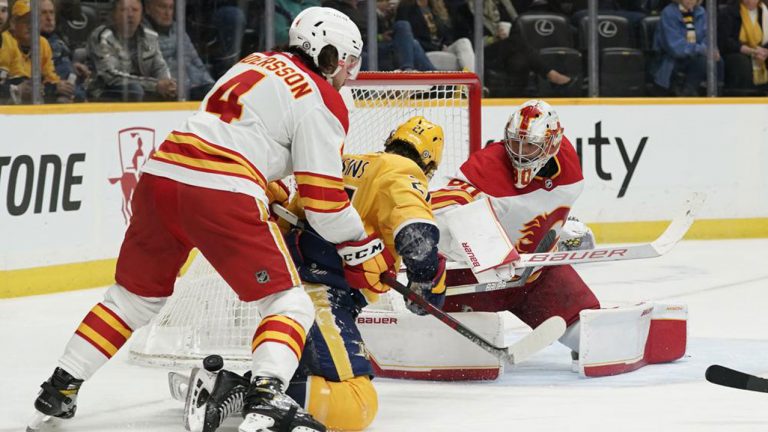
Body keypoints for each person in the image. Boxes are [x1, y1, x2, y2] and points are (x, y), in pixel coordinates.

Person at [29, 7, 391, 432]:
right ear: (331, 54)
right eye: (347, 61)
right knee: (288, 302)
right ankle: (268, 396)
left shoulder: (252, 62)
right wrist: (362, 246)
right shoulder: (321, 97)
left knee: (132, 299)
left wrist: (267, 184)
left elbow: (242, 135)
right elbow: (325, 204)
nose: (348, 73)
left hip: (162, 174)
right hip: (222, 188)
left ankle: (60, 386)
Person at [183, 116, 448, 432]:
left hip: (292, 284)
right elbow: (415, 235)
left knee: (313, 376)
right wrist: (425, 278)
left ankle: (257, 389)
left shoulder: (344, 162)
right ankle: (240, 391)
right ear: (429, 165)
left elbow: (290, 216)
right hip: (321, 294)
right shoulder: (404, 172)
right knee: (357, 404)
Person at [430, 99, 598, 364]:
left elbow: (541, 209)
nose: (520, 153)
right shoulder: (486, 168)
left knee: (593, 338)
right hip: (476, 282)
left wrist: (559, 232)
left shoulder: (569, 162)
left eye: (530, 145)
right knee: (461, 356)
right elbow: (437, 215)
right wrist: (477, 250)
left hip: (537, 277)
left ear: (552, 144)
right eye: (515, 143)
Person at [87, 0, 177, 101]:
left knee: (177, 91)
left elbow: (160, 68)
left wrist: (168, 84)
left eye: (135, 10)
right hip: (105, 91)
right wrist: (155, 85)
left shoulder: (150, 36)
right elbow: (110, 76)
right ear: (114, 14)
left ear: (142, 14)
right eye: (124, 10)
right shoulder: (102, 36)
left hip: (145, 88)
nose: (130, 14)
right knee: (134, 90)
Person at [2, 0, 73, 103]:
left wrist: (57, 87)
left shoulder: (43, 43)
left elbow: (50, 78)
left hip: (32, 105)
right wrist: (16, 90)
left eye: (35, 20)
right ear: (13, 23)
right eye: (26, 21)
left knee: (64, 98)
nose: (31, 26)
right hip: (7, 110)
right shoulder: (4, 42)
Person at [143, 0, 215, 100]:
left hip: (195, 86)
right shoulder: (142, 34)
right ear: (148, 8)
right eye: (162, 7)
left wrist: (211, 85)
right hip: (171, 92)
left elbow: (196, 61)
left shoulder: (178, 29)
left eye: (171, 7)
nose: (167, 13)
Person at [652, 0, 718, 96]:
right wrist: (703, 50)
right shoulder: (668, 13)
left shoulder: (702, 12)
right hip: (673, 59)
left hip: (696, 56)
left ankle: (717, 98)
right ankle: (686, 95)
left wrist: (712, 50)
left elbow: (709, 38)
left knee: (718, 62)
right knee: (702, 62)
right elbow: (676, 48)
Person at [396, 0, 476, 71]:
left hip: (441, 48)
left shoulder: (437, 6)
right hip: (423, 50)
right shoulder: (406, 7)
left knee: (464, 42)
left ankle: (472, 80)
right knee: (414, 43)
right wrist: (434, 47)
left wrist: (446, 43)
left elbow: (447, 32)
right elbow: (405, 37)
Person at [40, 0, 90, 102]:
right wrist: (53, 88)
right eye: (43, 13)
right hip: (56, 99)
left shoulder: (58, 35)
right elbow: (30, 82)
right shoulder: (30, 44)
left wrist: (75, 65)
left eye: (51, 12)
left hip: (77, 91)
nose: (49, 18)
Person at [718, 0, 768, 95]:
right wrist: (745, 49)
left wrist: (765, 51)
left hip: (761, 53)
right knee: (741, 63)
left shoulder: (765, 12)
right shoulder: (729, 12)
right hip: (736, 52)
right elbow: (724, 41)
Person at [376, 0, 436, 71]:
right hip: (372, 47)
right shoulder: (365, 12)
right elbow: (364, 36)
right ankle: (409, 68)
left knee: (413, 43)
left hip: (392, 44)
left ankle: (409, 68)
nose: (388, 3)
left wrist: (387, 18)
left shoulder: (434, 7)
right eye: (384, 1)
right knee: (404, 27)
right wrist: (380, 37)